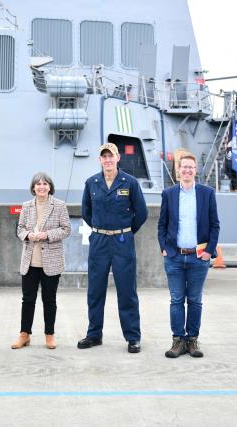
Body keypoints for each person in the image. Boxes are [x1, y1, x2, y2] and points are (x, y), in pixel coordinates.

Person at [78, 142, 148, 353]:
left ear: (118, 158)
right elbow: (86, 212)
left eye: (111, 156)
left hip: (122, 241)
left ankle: (133, 337)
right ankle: (94, 334)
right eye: (104, 156)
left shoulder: (130, 183)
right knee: (95, 291)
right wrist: (101, 229)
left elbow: (141, 213)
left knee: (127, 291)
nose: (108, 160)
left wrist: (125, 231)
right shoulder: (92, 183)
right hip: (99, 241)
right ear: (100, 160)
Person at [157, 153, 220, 358]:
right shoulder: (168, 194)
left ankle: (192, 340)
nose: (187, 170)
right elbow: (162, 224)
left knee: (194, 300)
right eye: (183, 167)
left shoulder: (207, 193)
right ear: (178, 170)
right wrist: (164, 248)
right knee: (176, 300)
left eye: (190, 167)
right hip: (174, 256)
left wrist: (209, 251)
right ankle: (178, 340)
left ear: (195, 170)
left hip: (198, 257)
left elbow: (214, 225)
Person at [12, 172, 71, 350]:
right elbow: (20, 229)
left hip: (51, 262)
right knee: (27, 299)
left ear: (50, 187)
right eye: (38, 184)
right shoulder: (27, 206)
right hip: (30, 261)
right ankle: (24, 334)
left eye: (45, 184)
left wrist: (47, 235)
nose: (42, 187)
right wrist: (28, 235)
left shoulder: (59, 205)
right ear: (33, 187)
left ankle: (49, 335)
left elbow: (66, 229)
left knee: (49, 300)